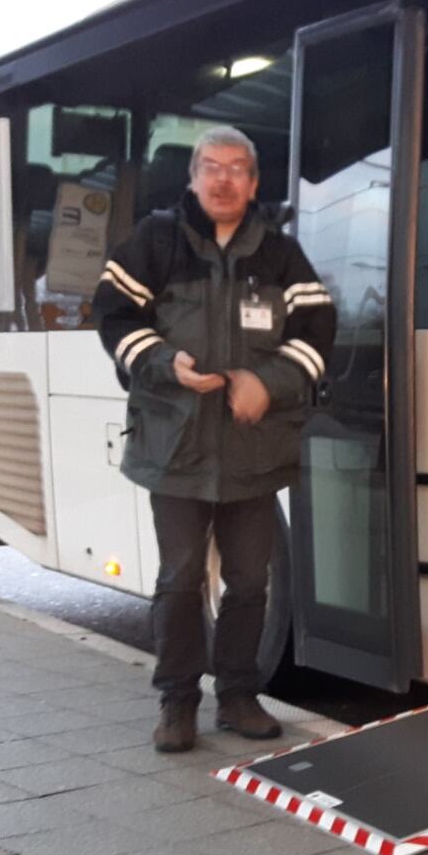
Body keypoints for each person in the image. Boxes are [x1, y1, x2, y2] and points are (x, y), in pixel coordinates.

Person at [93, 127, 335, 752]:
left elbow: (317, 330)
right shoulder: (154, 242)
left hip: (255, 452)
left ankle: (237, 696)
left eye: (237, 168)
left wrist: (267, 382)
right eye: (211, 166)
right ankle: (177, 701)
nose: (223, 179)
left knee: (250, 583)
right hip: (174, 449)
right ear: (194, 177)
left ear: (253, 183)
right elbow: (113, 314)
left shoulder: (281, 254)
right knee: (180, 580)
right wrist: (163, 362)